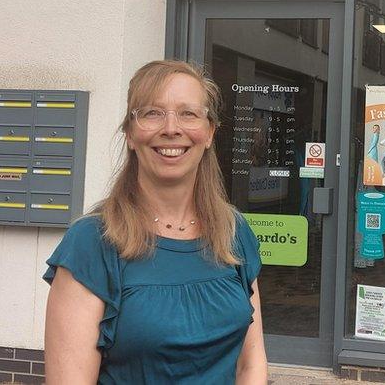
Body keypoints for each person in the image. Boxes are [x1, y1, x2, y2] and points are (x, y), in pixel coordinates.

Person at [43, 60, 267, 384]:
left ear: (209, 133)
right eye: (152, 113)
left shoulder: (233, 232)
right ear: (131, 135)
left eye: (188, 113)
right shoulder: (92, 244)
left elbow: (252, 362)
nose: (171, 128)